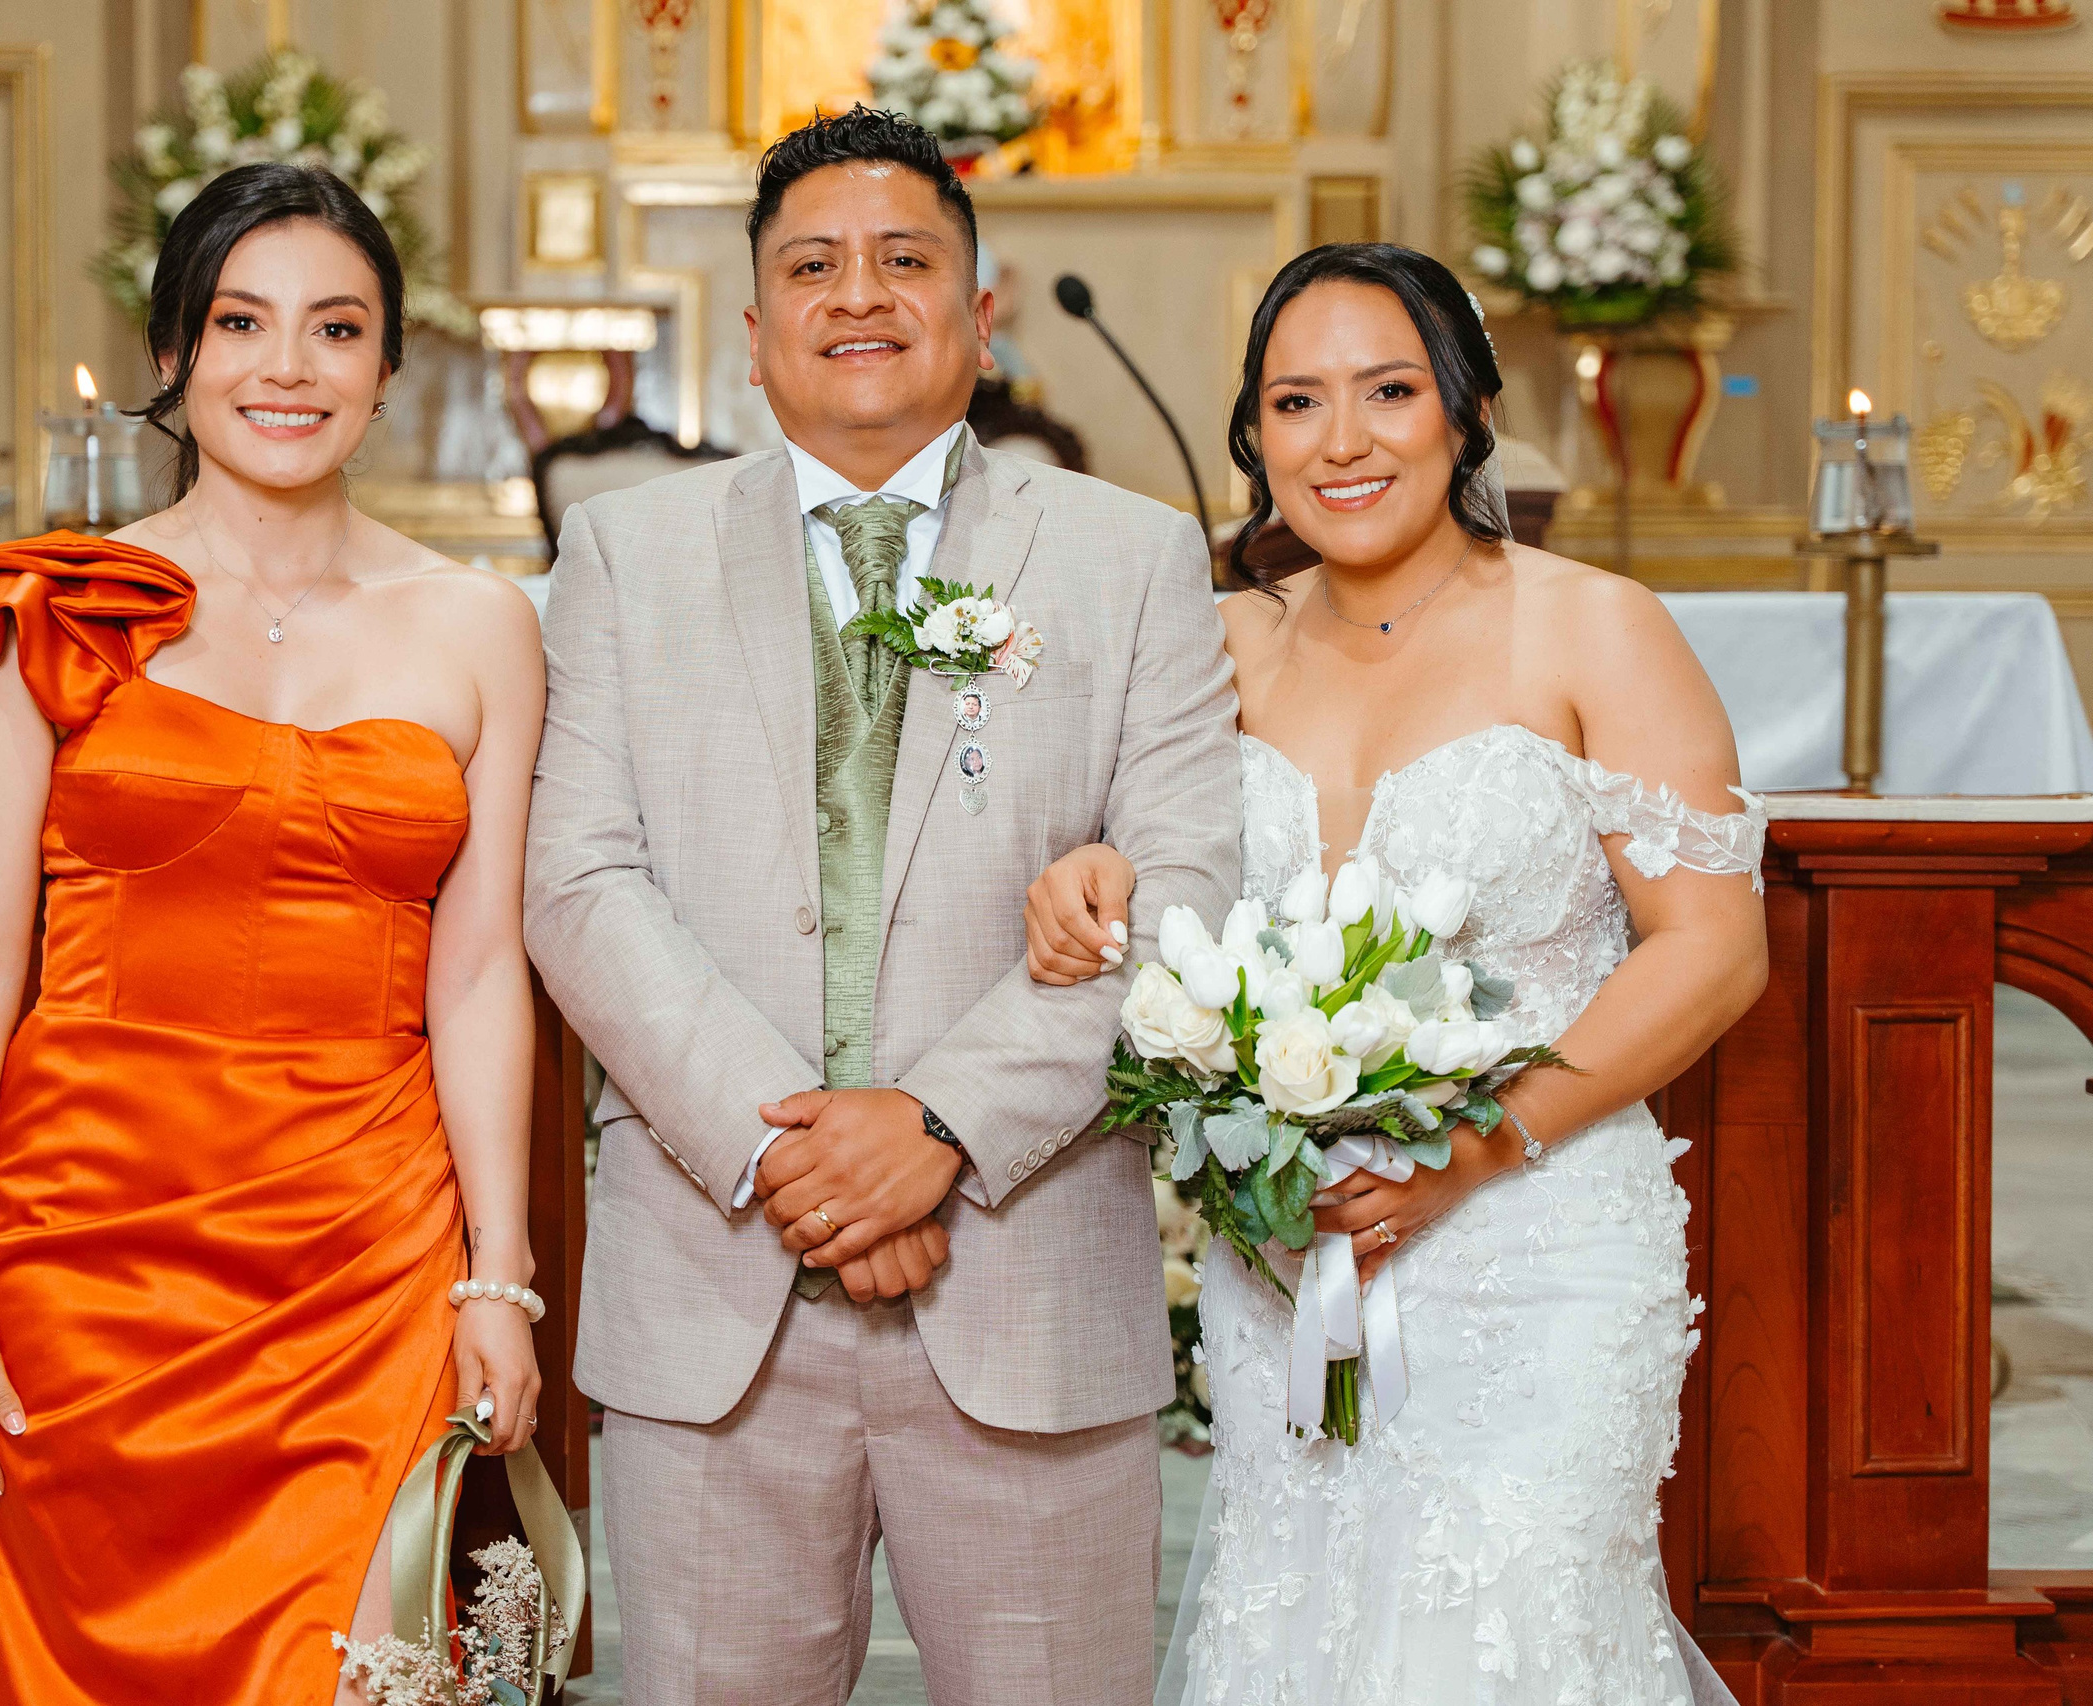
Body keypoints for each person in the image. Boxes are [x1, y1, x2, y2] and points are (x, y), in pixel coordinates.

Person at [524, 106, 1247, 1706]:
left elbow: (1187, 884)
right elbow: (577, 878)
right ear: (757, 325)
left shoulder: (1132, 559)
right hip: (716, 1299)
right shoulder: (625, 554)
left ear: (981, 314)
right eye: (815, 266)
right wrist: (791, 1148)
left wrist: (935, 1123)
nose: (862, 295)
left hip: (1028, 1278)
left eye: (906, 259)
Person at [1023, 242, 1765, 1705]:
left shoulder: (1590, 623)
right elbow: (1137, 881)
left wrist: (1474, 1152)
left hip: (1538, 1243)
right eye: (1297, 402)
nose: (1342, 440)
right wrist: (1081, 880)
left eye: (1389, 391)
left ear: (1468, 410)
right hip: (1291, 1253)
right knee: (1295, 1621)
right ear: (1256, 436)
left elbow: (1714, 948)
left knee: (1508, 1628)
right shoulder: (1217, 643)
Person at [0, 161, 545, 1706]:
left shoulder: (482, 625)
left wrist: (492, 1279)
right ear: (177, 352)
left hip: (362, 1255)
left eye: (335, 328)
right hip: (83, 1258)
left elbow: (481, 962)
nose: (287, 368)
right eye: (242, 321)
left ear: (388, 370)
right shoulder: (45, 613)